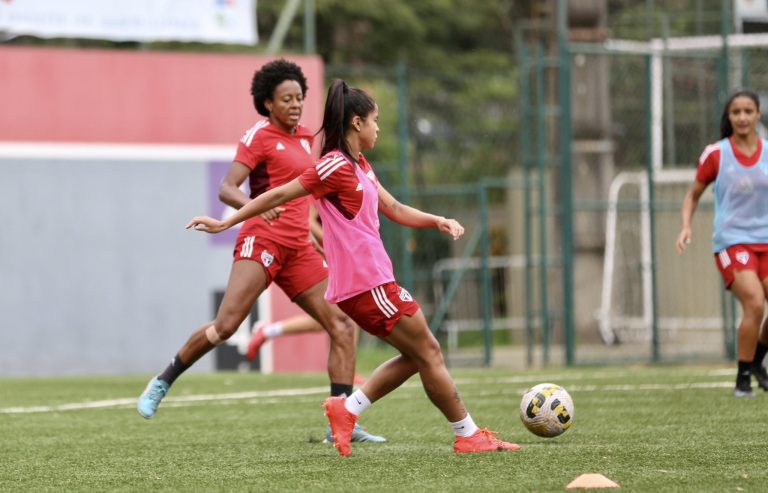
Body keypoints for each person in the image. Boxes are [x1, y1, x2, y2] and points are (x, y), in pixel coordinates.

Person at [187, 79, 521, 455]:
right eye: (375, 120)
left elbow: (393, 208)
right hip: (367, 284)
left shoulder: (359, 164)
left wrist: (437, 220)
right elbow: (279, 193)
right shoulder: (332, 166)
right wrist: (225, 222)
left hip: (374, 281)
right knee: (429, 351)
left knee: (418, 355)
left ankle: (347, 409)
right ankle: (467, 435)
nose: (378, 128)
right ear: (357, 123)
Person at [137, 60, 385, 443]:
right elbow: (227, 188)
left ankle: (343, 420)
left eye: (300, 98)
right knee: (226, 326)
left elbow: (314, 191)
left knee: (341, 324)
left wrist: (319, 233)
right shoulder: (258, 136)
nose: (295, 105)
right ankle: (163, 380)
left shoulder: (308, 139)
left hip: (299, 248)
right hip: (262, 239)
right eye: (286, 99)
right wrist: (254, 204)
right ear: (268, 103)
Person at [676, 88, 768, 397]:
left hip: (766, 241)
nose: (742, 117)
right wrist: (686, 226)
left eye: (748, 111)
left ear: (757, 114)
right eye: (736, 112)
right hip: (732, 242)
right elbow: (692, 195)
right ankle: (743, 380)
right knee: (754, 302)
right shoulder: (717, 154)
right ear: (728, 117)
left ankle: (757, 362)